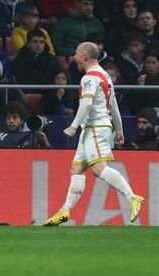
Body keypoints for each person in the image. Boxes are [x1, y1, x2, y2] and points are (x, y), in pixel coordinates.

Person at [43, 42, 144, 226]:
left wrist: (73, 126)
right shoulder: (105, 76)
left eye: (76, 54)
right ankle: (65, 210)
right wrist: (119, 131)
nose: (74, 57)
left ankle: (132, 197)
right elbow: (113, 107)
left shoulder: (89, 78)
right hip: (94, 128)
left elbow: (87, 104)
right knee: (77, 169)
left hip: (96, 128)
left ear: (84, 57)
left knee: (98, 169)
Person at [0, 102, 51, 199]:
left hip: (29, 182)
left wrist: (45, 143)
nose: (11, 121)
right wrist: (4, 172)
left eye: (15, 117)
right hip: (3, 182)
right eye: (8, 118)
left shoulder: (33, 135)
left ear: (22, 119)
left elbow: (48, 160)